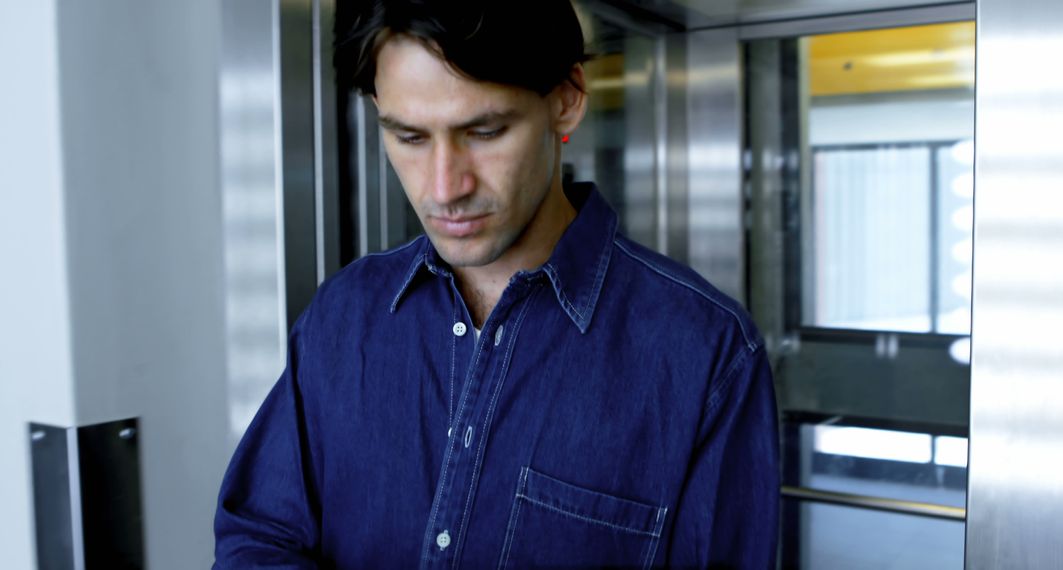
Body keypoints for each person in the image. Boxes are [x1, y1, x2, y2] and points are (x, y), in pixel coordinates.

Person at [213, 1, 779, 568]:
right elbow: (257, 538)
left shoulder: (706, 354)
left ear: (566, 100)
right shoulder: (343, 315)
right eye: (409, 137)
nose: (443, 187)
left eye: (484, 132)